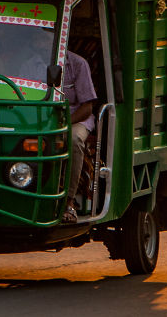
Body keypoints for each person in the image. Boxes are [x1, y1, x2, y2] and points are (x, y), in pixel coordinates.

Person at [60, 50, 97, 223]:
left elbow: (87, 108)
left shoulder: (77, 63)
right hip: (45, 121)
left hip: (76, 119)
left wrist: (64, 124)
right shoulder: (31, 61)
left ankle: (69, 201)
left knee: (74, 140)